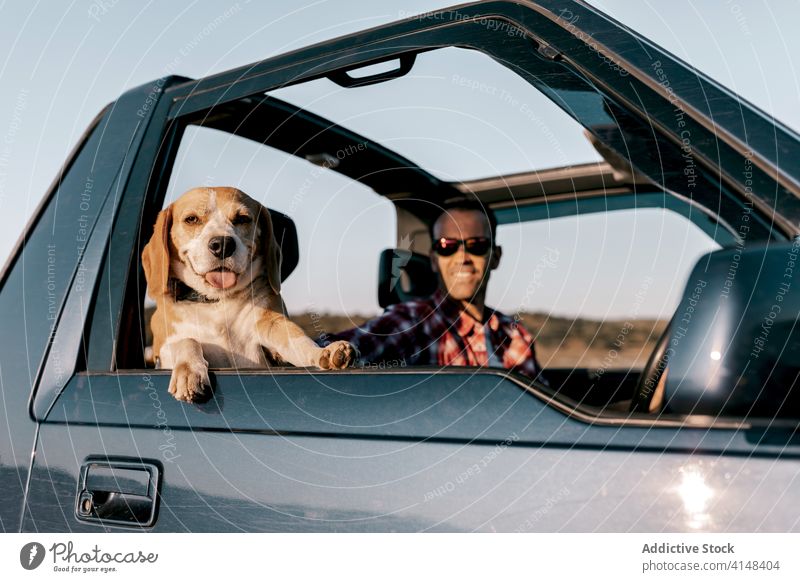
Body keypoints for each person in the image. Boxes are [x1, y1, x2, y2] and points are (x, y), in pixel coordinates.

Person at [332, 200, 546, 382]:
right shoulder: (413, 322)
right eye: (447, 246)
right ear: (434, 260)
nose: (463, 258)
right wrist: (312, 350)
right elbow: (337, 351)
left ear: (496, 256)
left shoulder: (515, 335)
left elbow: (543, 416)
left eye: (476, 245)